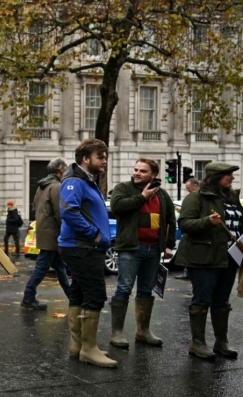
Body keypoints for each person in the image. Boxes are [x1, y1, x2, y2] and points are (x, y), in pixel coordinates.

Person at [59, 138, 116, 368]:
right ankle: (89, 349)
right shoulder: (75, 182)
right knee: (94, 294)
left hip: (83, 247)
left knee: (79, 292)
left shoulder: (87, 180)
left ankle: (78, 345)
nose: (104, 161)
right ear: (85, 158)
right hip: (82, 247)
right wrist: (95, 235)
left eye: (105, 156)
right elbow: (69, 211)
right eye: (100, 157)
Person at [108, 158, 176, 349]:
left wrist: (168, 245)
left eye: (143, 171)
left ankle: (143, 331)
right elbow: (117, 207)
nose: (137, 173)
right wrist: (143, 197)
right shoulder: (123, 188)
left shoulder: (162, 194)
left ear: (153, 175)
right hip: (131, 248)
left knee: (146, 290)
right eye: (136, 169)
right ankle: (117, 333)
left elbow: (170, 219)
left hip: (153, 249)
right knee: (124, 288)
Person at [175, 162, 241, 360]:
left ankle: (221, 342)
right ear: (214, 177)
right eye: (227, 175)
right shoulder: (197, 197)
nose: (232, 178)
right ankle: (198, 343)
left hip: (229, 257)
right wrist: (206, 221)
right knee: (202, 299)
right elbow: (185, 223)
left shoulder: (233, 197)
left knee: (222, 301)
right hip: (203, 258)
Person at [21, 158, 71, 310]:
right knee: (42, 267)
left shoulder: (42, 186)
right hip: (53, 234)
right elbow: (59, 212)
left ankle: (72, 297)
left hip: (45, 231)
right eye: (66, 168)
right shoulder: (56, 186)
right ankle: (28, 297)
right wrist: (67, 230)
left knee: (60, 267)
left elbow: (35, 208)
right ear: (60, 169)